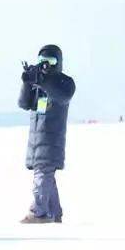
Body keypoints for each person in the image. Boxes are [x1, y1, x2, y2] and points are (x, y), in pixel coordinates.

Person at [18, 45, 75, 224]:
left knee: (42, 174)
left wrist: (43, 81)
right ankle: (54, 211)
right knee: (45, 174)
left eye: (50, 61)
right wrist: (27, 83)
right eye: (42, 61)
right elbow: (23, 103)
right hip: (37, 140)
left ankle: (39, 211)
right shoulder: (39, 85)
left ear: (58, 63)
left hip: (52, 139)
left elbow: (63, 96)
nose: (45, 65)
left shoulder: (64, 83)